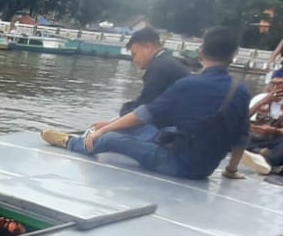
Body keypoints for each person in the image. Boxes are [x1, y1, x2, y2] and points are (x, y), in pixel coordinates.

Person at [40, 27, 250, 181]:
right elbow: (241, 137)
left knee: (112, 139)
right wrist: (230, 171)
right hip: (206, 169)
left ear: (201, 52)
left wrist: (104, 130)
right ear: (233, 55)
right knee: (145, 131)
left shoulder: (188, 85)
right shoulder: (240, 90)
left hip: (178, 165)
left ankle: (71, 143)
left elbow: (144, 114)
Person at [120, 27, 191, 116]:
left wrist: (123, 112)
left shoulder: (158, 69)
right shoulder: (168, 61)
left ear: (148, 47)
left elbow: (145, 108)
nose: (134, 60)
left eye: (135, 54)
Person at [246, 67, 283, 150]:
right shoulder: (260, 97)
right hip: (257, 137)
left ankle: (264, 152)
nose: (275, 88)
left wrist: (274, 130)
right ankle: (257, 150)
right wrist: (263, 101)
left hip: (278, 139)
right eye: (273, 84)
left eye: (280, 84)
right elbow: (241, 119)